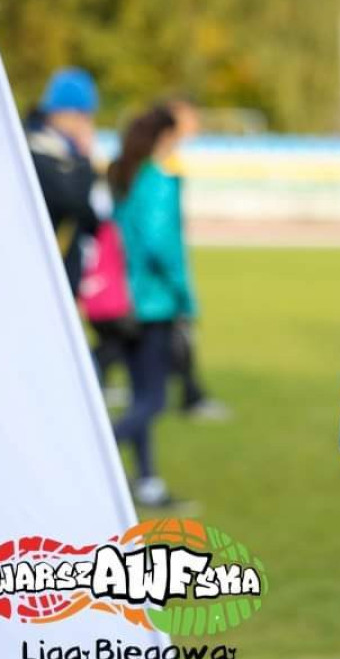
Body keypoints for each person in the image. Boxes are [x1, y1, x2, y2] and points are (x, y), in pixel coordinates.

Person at [107, 106, 197, 510]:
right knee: (154, 399)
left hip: (121, 301)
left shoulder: (125, 176)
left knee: (140, 394)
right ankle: (101, 451)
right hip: (153, 302)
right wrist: (184, 296)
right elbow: (163, 245)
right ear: (165, 137)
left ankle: (146, 481)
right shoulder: (158, 180)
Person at [163, 96, 231, 421]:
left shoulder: (167, 161)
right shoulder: (160, 166)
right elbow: (157, 232)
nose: (195, 126)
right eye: (190, 118)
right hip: (160, 276)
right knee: (174, 335)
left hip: (162, 271)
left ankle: (191, 395)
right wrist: (177, 278)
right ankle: (191, 398)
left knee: (163, 338)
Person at [26, 67, 100, 296]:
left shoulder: (62, 152)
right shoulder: (35, 150)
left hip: (62, 273)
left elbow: (88, 218)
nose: (86, 123)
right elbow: (72, 201)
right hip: (40, 275)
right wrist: (84, 158)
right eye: (82, 115)